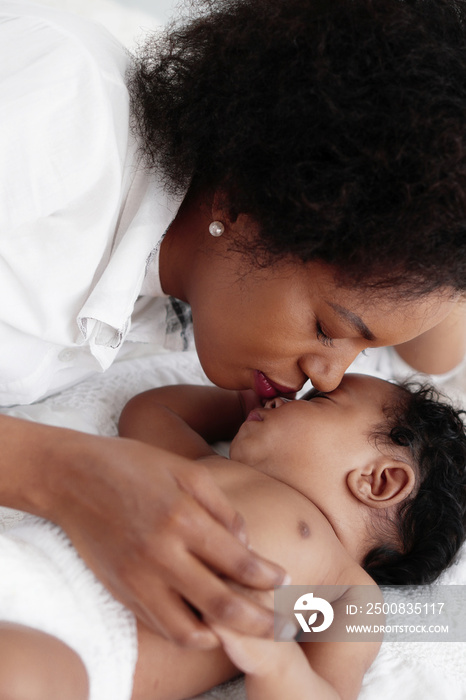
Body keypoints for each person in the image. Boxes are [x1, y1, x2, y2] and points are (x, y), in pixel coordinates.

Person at [1, 0, 466, 647]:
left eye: (366, 349)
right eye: (331, 327)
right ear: (243, 203)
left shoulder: (336, 582)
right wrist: (61, 473)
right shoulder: (57, 107)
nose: (327, 376)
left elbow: (438, 620)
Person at [0, 374, 465, 700]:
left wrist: (276, 665)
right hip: (19, 561)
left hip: (84, 650)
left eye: (316, 402)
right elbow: (151, 410)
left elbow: (327, 693)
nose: (284, 399)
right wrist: (240, 404)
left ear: (379, 481)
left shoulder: (342, 590)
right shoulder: (205, 468)